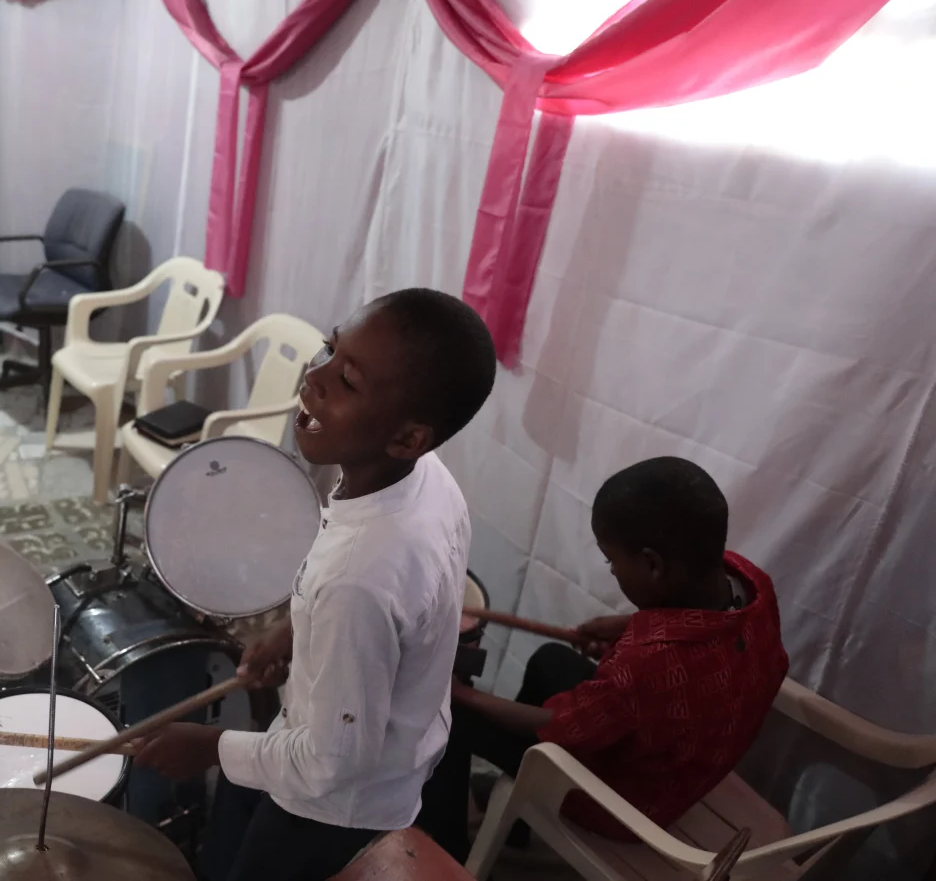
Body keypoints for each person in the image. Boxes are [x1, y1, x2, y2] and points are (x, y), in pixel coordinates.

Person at [133, 288, 499, 881]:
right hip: (377, 759)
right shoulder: (426, 478)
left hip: (334, 812)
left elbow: (333, 762)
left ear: (408, 437)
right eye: (330, 348)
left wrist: (211, 746)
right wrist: (293, 630)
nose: (315, 375)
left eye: (348, 381)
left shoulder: (358, 576)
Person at [415, 457, 790, 863]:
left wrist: (459, 695)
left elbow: (560, 722)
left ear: (652, 565)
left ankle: (445, 859)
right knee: (550, 660)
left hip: (625, 804)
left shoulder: (646, 667)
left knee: (447, 719)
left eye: (611, 561)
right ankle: (518, 812)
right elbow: (704, 634)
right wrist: (632, 625)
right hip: (689, 761)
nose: (611, 568)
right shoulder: (751, 584)